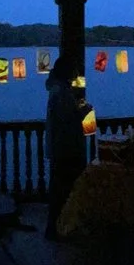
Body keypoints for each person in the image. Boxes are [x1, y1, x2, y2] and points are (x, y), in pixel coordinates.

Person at [43, 60, 89, 239]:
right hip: (65, 148)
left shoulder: (58, 90)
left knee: (59, 188)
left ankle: (58, 226)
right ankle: (59, 227)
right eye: (74, 70)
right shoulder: (61, 92)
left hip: (59, 147)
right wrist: (83, 112)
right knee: (63, 190)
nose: (76, 74)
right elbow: (68, 120)